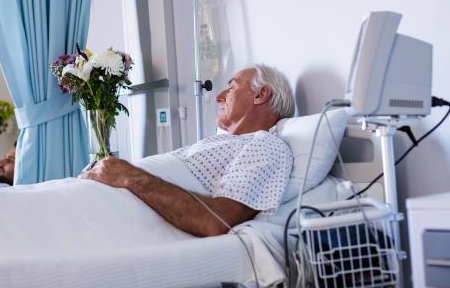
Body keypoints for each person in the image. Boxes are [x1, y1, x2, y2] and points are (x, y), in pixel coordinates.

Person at [81, 64, 296, 237]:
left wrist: (131, 176)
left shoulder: (267, 145)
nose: (219, 96)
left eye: (232, 87)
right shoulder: (229, 143)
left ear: (261, 94)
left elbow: (216, 220)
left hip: (112, 207)